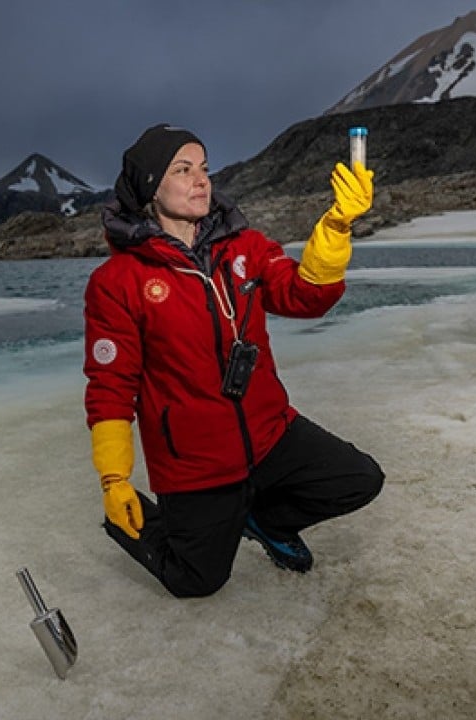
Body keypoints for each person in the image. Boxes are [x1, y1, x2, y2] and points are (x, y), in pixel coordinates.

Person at [83, 123, 383, 598]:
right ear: (150, 188)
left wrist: (336, 227)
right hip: (194, 463)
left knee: (359, 479)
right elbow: (111, 386)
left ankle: (263, 520)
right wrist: (114, 478)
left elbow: (306, 297)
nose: (201, 179)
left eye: (204, 168)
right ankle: (133, 521)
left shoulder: (245, 248)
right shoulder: (118, 281)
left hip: (268, 434)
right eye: (182, 170)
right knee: (195, 581)